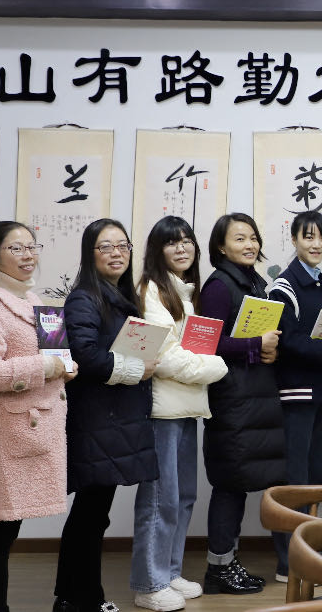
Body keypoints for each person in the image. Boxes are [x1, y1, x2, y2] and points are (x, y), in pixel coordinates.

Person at [0, 222, 76, 612]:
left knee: (3, 530)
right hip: (5, 436)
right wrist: (45, 366)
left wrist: (63, 366)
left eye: (31, 247)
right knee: (0, 529)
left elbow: (54, 359)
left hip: (31, 431)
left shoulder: (32, 301)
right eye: (17, 249)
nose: (28, 256)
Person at [55, 219, 159, 612]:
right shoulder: (84, 298)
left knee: (93, 514)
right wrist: (137, 369)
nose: (117, 253)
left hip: (112, 419)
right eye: (105, 246)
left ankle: (72, 598)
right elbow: (85, 355)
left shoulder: (118, 295)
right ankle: (83, 599)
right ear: (90, 253)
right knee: (91, 514)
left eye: (122, 245)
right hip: (97, 419)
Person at [130, 216, 228, 611]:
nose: (182, 247)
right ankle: (148, 583)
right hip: (161, 411)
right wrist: (217, 366)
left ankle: (169, 572)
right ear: (157, 250)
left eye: (187, 240)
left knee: (183, 496)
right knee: (160, 499)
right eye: (172, 242)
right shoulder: (151, 290)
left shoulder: (184, 291)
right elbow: (164, 357)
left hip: (185, 406)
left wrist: (206, 364)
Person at [199, 212, 286, 595]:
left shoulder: (254, 282)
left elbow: (256, 341)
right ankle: (219, 568)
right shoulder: (219, 286)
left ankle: (227, 564)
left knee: (241, 484)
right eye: (239, 238)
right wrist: (255, 345)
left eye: (253, 237)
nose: (250, 244)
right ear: (221, 247)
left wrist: (268, 350)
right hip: (232, 400)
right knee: (230, 485)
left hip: (255, 399)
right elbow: (206, 343)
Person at [267, 211, 322, 582]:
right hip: (295, 396)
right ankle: (289, 562)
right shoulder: (284, 287)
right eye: (309, 237)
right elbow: (287, 341)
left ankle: (309, 553)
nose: (316, 244)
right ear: (294, 240)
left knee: (316, 477)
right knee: (294, 479)